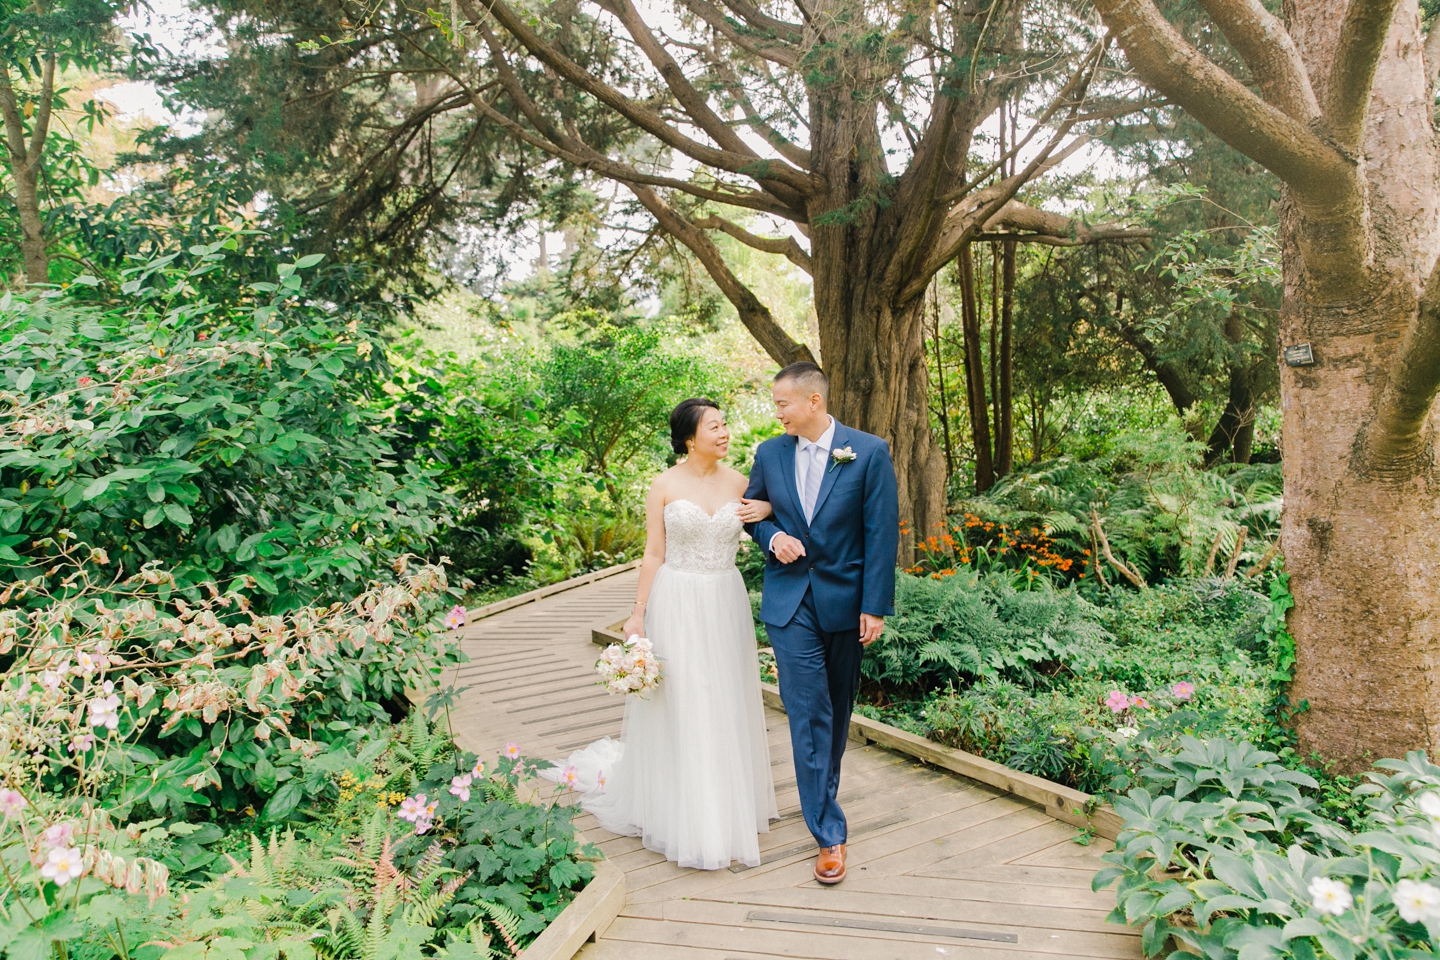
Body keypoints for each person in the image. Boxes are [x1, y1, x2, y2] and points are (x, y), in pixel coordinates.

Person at [543, 398, 779, 870]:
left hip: (724, 599)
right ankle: (680, 811)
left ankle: (725, 805)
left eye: (725, 424)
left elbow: (770, 514)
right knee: (684, 698)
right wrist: (637, 614)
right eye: (714, 426)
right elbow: (653, 553)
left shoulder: (742, 483)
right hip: (678, 598)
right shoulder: (664, 485)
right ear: (690, 437)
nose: (724, 432)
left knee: (724, 696)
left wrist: (768, 506)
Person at [742, 361, 899, 884]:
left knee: (835, 708)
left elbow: (880, 534)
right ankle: (829, 833)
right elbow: (754, 515)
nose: (777, 412)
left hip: (845, 600)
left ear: (813, 401)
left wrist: (873, 605)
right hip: (790, 602)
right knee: (807, 710)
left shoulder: (869, 452)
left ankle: (822, 793)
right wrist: (772, 539)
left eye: (782, 403)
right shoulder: (769, 453)